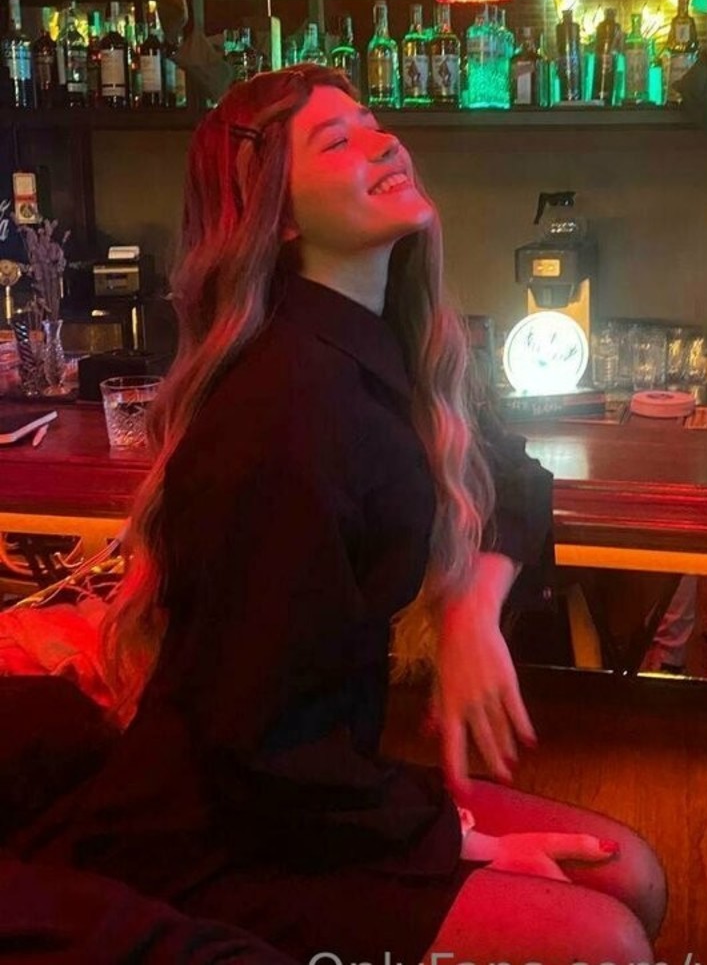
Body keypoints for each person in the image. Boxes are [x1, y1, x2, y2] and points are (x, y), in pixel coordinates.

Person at [14, 66, 665, 964]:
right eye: (339, 140)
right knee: (605, 939)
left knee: (632, 874)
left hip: (311, 789)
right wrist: (450, 837)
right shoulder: (284, 409)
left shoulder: (384, 343)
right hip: (222, 833)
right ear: (277, 215)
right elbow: (253, 742)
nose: (386, 142)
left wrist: (474, 605)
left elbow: (512, 472)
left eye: (373, 122)